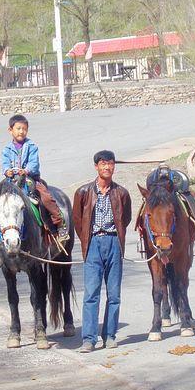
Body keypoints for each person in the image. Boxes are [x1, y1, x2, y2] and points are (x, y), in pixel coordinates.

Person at [72, 150, 132, 352]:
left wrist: (115, 236)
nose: (107, 167)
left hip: (114, 243)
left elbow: (126, 218)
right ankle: (89, 339)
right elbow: (78, 221)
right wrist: (87, 241)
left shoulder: (121, 193)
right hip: (93, 245)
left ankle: (110, 335)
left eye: (111, 164)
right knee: (91, 294)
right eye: (103, 164)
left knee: (114, 294)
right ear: (96, 166)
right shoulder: (83, 192)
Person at [0, 114, 69, 245]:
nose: (21, 131)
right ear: (10, 130)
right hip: (12, 180)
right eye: (18, 128)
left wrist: (26, 170)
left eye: (24, 129)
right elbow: (5, 164)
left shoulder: (32, 146)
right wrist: (7, 171)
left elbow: (34, 163)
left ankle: (60, 224)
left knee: (45, 197)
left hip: (30, 179)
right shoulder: (6, 149)